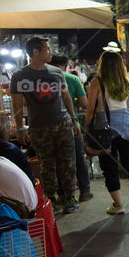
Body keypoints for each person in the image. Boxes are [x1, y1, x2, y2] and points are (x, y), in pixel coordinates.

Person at [10, 36, 80, 214]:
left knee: (68, 162)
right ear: (35, 52)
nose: (50, 52)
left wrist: (74, 120)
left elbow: (66, 98)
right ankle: (52, 197)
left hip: (62, 123)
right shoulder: (20, 76)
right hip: (39, 127)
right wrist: (19, 128)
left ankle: (70, 196)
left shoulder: (56, 73)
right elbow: (16, 104)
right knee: (46, 164)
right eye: (47, 49)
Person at [85, 51, 129, 215]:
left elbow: (91, 109)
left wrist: (87, 128)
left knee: (109, 166)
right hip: (126, 126)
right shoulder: (125, 83)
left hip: (104, 129)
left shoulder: (97, 83)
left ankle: (118, 204)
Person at [52, 55, 92, 202]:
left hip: (50, 126)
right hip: (71, 124)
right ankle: (84, 191)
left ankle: (62, 194)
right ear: (66, 65)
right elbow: (84, 102)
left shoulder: (42, 80)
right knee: (78, 158)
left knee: (57, 161)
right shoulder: (73, 79)